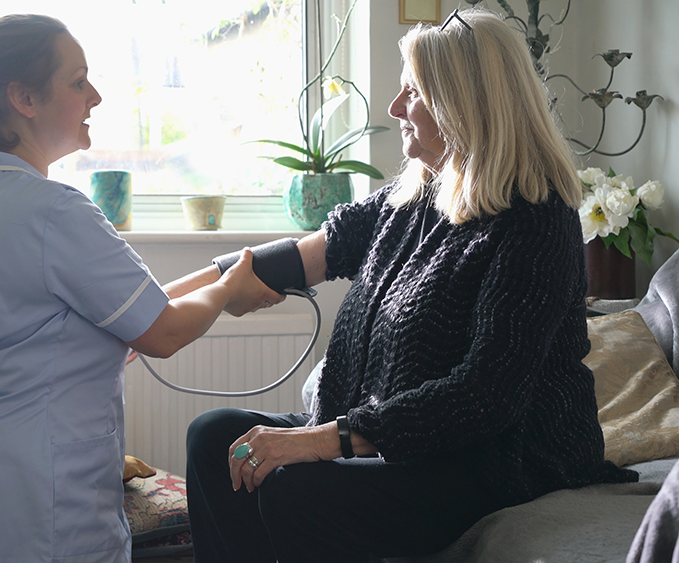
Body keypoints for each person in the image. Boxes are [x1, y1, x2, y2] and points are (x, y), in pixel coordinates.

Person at [184, 9, 639, 562]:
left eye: (413, 94)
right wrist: (145, 313)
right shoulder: (410, 201)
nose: (396, 109)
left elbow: (484, 394)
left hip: (493, 460)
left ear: (465, 105)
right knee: (215, 438)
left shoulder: (537, 220)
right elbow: (278, 263)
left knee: (295, 488)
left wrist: (321, 440)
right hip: (394, 443)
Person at [0, 14, 282, 563]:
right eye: (77, 82)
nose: (94, 96)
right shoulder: (55, 211)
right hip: (26, 513)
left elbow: (98, 327)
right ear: (24, 98)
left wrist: (218, 276)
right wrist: (228, 290)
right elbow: (161, 332)